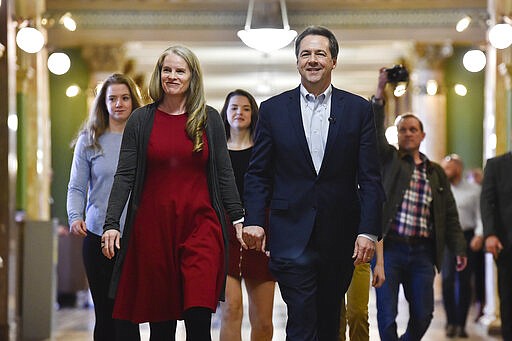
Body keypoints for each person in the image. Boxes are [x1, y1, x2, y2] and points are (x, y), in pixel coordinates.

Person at [242, 25, 385, 340]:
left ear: (334, 60)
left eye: (320, 53)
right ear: (296, 62)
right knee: (302, 318)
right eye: (305, 53)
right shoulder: (273, 110)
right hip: (290, 234)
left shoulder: (358, 110)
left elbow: (370, 178)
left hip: (339, 235)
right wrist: (254, 219)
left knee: (328, 318)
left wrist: (368, 231)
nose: (313, 59)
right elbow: (259, 172)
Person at [101, 45, 244, 341]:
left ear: (192, 76)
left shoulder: (209, 118)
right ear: (159, 74)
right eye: (167, 70)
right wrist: (111, 223)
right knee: (162, 326)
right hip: (153, 231)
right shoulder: (141, 120)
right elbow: (125, 175)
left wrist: (239, 216)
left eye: (180, 70)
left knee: (198, 316)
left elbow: (223, 172)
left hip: (201, 227)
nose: (172, 76)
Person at [372, 67, 467, 341]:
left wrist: (458, 247)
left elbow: (449, 214)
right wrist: (380, 92)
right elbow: (376, 133)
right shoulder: (389, 161)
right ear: (398, 135)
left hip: (423, 254)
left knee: (424, 313)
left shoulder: (435, 172)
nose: (408, 134)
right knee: (387, 313)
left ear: (422, 135)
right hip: (391, 250)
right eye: (402, 130)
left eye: (413, 129)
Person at [66, 73, 143, 341]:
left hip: (135, 238)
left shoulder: (144, 140)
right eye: (112, 98)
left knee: (128, 314)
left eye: (125, 98)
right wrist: (75, 216)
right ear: (103, 102)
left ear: (134, 101)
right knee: (105, 313)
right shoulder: (90, 140)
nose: (119, 104)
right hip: (98, 236)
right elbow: (76, 186)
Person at [219, 89, 275, 341]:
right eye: (234, 108)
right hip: (224, 234)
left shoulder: (265, 151)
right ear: (226, 112)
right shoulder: (215, 151)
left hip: (259, 232)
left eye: (245, 108)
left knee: (263, 320)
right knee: (231, 309)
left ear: (253, 114)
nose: (239, 113)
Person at [440, 154, 483, 338]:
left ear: (457, 167)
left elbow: (480, 215)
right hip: (447, 239)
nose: (444, 171)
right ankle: (450, 322)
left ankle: (461, 324)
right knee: (447, 280)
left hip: (467, 237)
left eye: (447, 168)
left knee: (464, 282)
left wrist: (480, 235)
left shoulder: (474, 190)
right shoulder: (442, 189)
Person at [481, 151, 512, 341]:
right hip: (507, 244)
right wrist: (490, 234)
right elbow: (487, 201)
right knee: (508, 299)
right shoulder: (496, 165)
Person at [339, 248, 385, 341]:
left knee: (358, 314)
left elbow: (377, 234)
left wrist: (380, 263)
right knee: (336, 318)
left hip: (360, 256)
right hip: (330, 255)